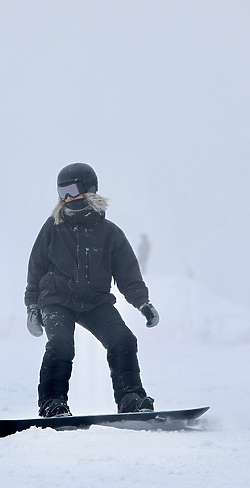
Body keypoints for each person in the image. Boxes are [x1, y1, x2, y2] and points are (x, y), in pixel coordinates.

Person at [25, 162, 160, 418]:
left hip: (96, 303)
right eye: (61, 192)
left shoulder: (110, 233)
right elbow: (36, 268)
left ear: (89, 189)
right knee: (61, 345)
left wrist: (143, 302)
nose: (66, 198)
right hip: (56, 301)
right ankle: (53, 404)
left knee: (123, 340)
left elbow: (127, 274)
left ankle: (131, 398)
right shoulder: (52, 228)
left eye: (72, 190)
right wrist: (33, 307)